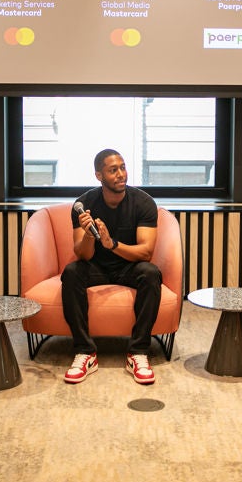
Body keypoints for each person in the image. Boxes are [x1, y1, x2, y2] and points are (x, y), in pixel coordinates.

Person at [61, 149, 163, 385]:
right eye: (113, 170)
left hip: (129, 267)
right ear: (99, 175)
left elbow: (146, 252)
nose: (121, 174)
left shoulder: (143, 203)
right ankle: (85, 352)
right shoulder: (83, 205)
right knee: (72, 272)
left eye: (123, 168)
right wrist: (89, 235)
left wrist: (111, 244)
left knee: (151, 274)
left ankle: (138, 352)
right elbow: (82, 255)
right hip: (96, 267)